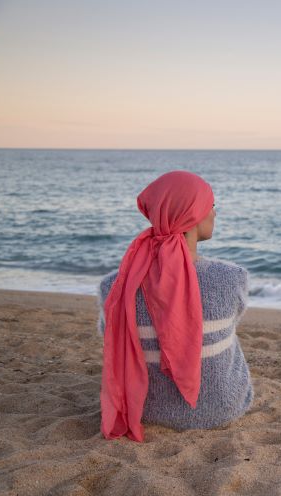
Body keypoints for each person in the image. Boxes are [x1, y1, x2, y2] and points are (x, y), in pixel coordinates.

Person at [96, 170, 253, 442]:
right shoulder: (232, 278)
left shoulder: (115, 285)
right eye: (210, 205)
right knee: (225, 337)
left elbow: (105, 333)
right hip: (222, 408)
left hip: (147, 410)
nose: (215, 212)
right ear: (192, 216)